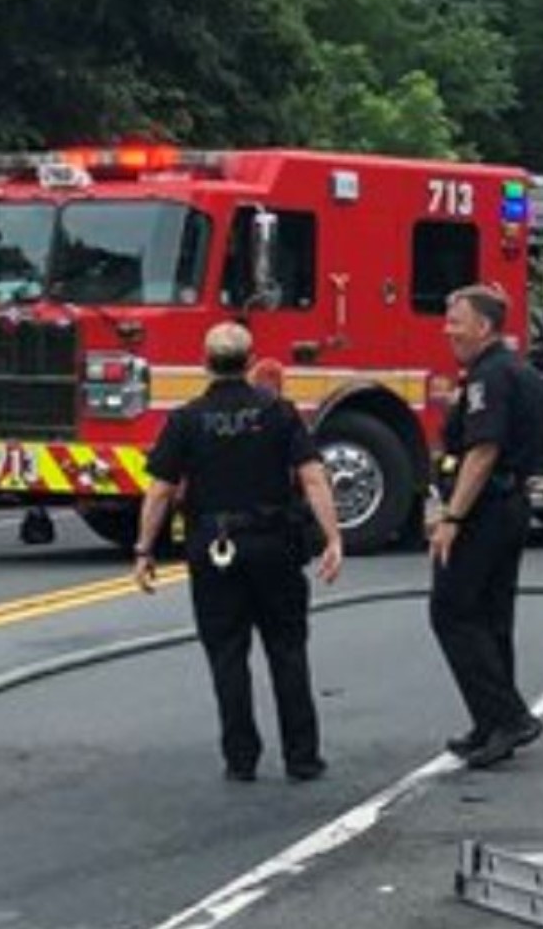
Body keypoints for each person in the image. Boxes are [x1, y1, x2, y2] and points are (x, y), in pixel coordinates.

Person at [132, 322, 344, 782]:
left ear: (205, 362)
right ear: (251, 362)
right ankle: (302, 757)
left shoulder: (187, 419)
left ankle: (240, 758)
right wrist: (333, 537)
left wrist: (144, 548)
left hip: (213, 546)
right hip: (274, 544)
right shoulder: (279, 413)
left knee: (227, 654)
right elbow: (311, 477)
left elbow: (161, 490)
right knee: (287, 650)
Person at [429, 283, 543, 768]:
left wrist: (452, 518)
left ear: (483, 326)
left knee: (452, 611)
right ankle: (490, 723)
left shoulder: (488, 379)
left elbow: (482, 452)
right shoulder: (511, 370)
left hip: (485, 508)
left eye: (456, 321)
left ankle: (509, 716)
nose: (447, 330)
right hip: (509, 503)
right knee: (492, 618)